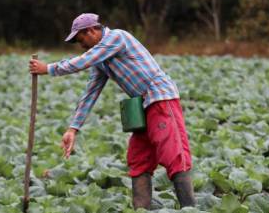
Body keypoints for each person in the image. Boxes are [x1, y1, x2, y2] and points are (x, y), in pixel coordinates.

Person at [29, 13, 196, 209]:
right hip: (141, 106)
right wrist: (73, 128)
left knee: (174, 155)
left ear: (91, 30)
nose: (80, 45)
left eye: (80, 39)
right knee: (138, 160)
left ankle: (190, 208)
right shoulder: (101, 61)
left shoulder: (117, 38)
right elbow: (90, 93)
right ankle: (141, 210)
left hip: (160, 98)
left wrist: (48, 68)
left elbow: (84, 60)